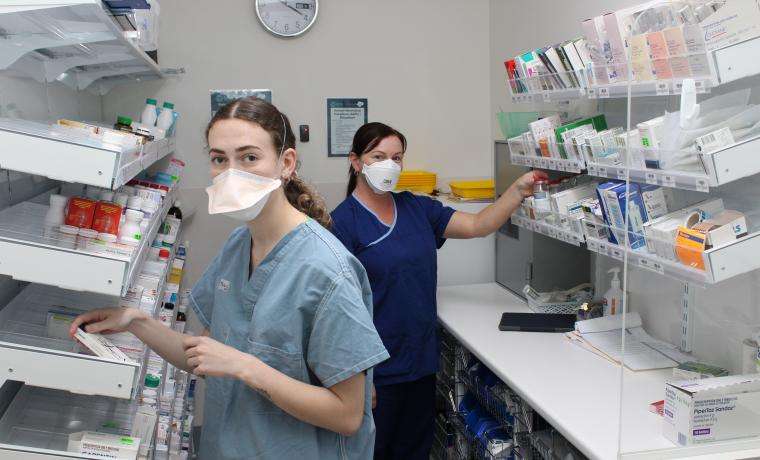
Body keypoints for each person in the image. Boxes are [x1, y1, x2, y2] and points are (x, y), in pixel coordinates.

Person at [70, 98, 389, 460]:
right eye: (220, 159)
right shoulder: (240, 243)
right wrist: (136, 321)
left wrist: (248, 367)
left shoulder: (327, 270)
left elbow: (348, 416)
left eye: (249, 157)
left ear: (286, 163)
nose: (231, 172)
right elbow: (205, 357)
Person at [330, 122, 547, 459]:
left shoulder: (417, 208)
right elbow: (337, 310)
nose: (390, 165)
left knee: (415, 450)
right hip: (376, 371)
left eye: (397, 157)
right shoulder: (342, 224)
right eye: (378, 156)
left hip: (419, 360)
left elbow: (478, 225)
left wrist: (517, 190)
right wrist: (357, 377)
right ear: (356, 162)